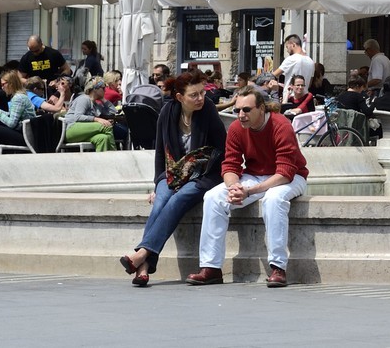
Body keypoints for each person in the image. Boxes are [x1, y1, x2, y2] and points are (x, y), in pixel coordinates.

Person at [187, 85, 309, 288]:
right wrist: (234, 187)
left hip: (292, 176)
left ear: (262, 108)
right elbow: (230, 164)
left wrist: (250, 191)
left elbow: (286, 171)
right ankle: (211, 268)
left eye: (246, 110)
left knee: (273, 199)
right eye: (237, 110)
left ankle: (278, 268)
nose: (240, 115)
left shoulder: (281, 125)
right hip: (255, 175)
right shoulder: (236, 128)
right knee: (213, 197)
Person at [120, 70, 227, 287]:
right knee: (161, 199)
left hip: (203, 176)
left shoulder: (208, 111)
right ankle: (143, 264)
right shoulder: (167, 112)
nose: (200, 99)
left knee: (178, 199)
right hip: (173, 174)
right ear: (180, 97)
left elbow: (223, 150)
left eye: (202, 93)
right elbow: (160, 152)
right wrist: (158, 183)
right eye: (194, 95)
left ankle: (141, 257)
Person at [60, 76, 120, 152]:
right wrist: (97, 119)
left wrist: (103, 99)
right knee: (106, 126)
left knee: (103, 138)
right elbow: (78, 117)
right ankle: (114, 155)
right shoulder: (84, 99)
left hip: (84, 131)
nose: (105, 91)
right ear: (95, 89)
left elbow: (113, 111)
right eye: (103, 88)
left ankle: (102, 162)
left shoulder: (97, 105)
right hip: (71, 129)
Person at [0, 69, 36, 149]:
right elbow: (13, 116)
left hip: (26, 136)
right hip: (22, 131)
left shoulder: (18, 98)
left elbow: (12, 123)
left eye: (3, 84)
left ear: (11, 84)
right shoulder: (18, 96)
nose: (2, 88)